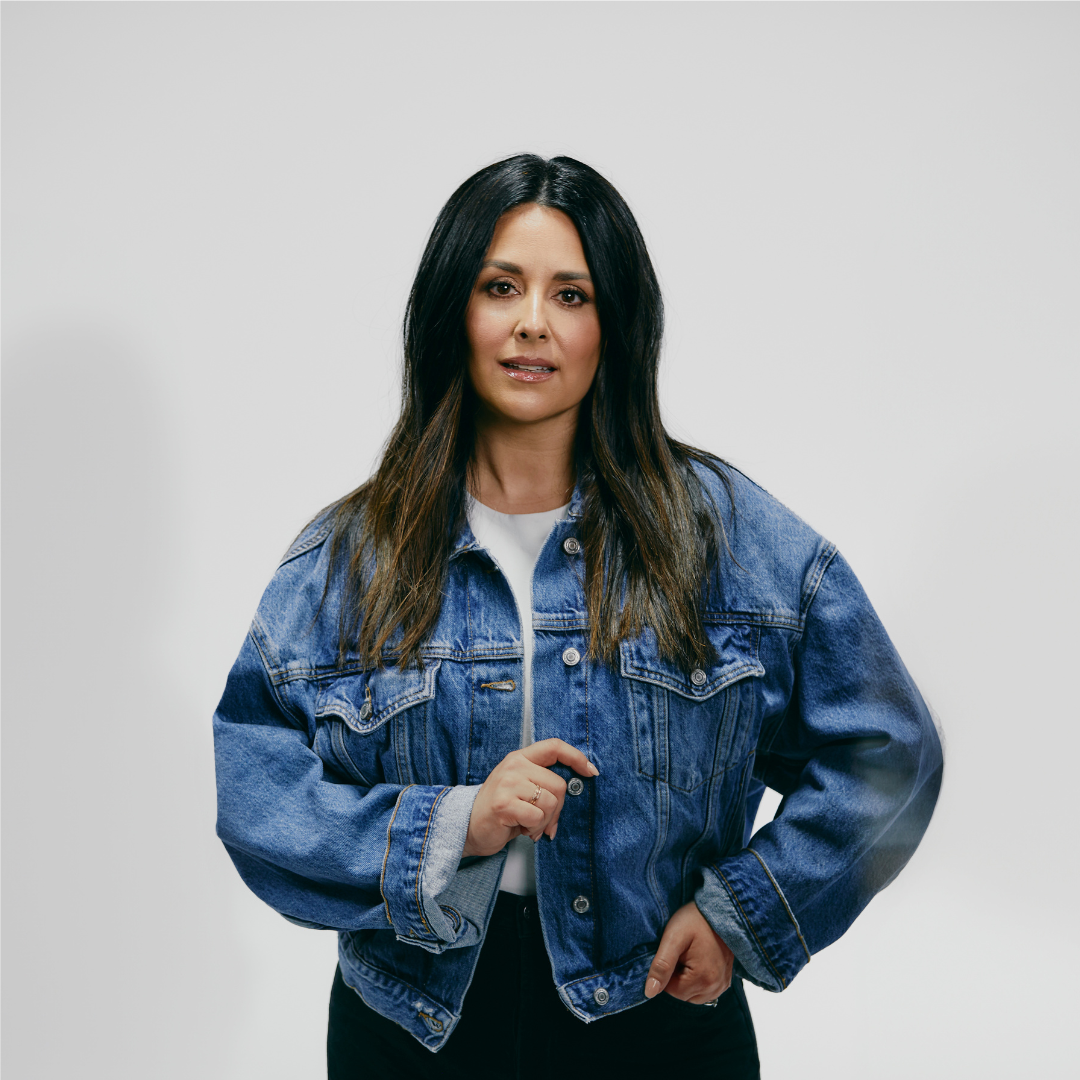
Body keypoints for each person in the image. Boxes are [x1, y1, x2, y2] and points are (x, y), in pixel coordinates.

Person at [213, 154, 944, 1078]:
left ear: (614, 326)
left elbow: (891, 751)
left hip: (660, 1018)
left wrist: (745, 915)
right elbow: (255, 792)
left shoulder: (723, 536)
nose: (531, 323)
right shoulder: (352, 558)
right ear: (456, 312)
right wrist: (456, 826)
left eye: (571, 295)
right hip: (409, 1029)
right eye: (501, 286)